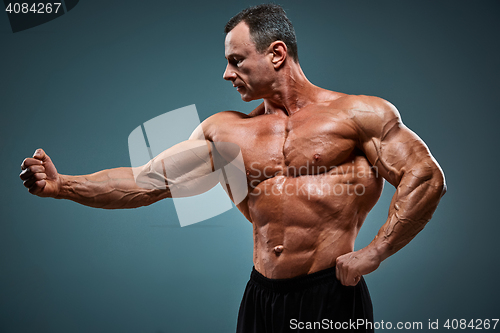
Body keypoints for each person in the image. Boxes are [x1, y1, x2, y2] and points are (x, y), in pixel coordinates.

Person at [19, 4, 446, 333]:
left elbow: (425, 177)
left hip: (330, 294)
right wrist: (63, 186)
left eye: (237, 60)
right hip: (261, 296)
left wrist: (375, 252)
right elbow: (144, 182)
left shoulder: (358, 115)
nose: (227, 74)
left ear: (277, 54)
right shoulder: (225, 132)